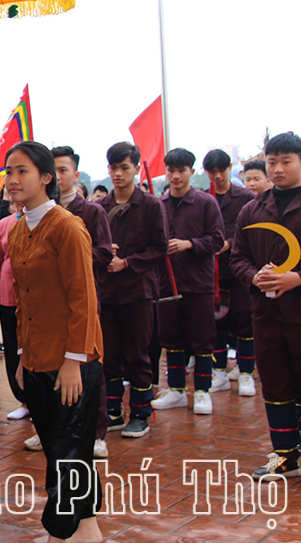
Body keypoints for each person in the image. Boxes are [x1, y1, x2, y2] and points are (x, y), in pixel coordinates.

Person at [5, 141, 103, 543]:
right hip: (38, 358)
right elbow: (25, 301)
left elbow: (84, 297)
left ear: (47, 177)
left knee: (70, 451)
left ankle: (63, 531)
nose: (11, 180)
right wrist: (23, 355)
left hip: (70, 362)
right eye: (8, 171)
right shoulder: (18, 230)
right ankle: (86, 528)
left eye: (21, 171)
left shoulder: (66, 225)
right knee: (60, 449)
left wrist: (73, 361)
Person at [230, 133, 301, 478]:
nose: (278, 168)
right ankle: (285, 453)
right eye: (272, 161)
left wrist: (297, 278)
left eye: (287, 160)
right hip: (267, 315)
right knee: (274, 383)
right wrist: (253, 277)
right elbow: (237, 258)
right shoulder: (252, 209)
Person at [97, 142, 167, 439]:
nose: (118, 174)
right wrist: (103, 253)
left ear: (137, 169)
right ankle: (113, 410)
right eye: (113, 168)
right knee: (109, 353)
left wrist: (127, 262)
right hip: (107, 292)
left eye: (124, 167)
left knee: (138, 354)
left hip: (138, 291)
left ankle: (140, 413)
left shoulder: (151, 205)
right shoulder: (100, 207)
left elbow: (160, 248)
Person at [151, 148, 225, 415]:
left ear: (192, 172)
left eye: (181, 170)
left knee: (202, 338)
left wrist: (189, 244)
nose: (176, 176)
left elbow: (217, 239)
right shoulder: (158, 204)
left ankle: (203, 391)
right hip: (167, 285)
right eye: (171, 170)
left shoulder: (206, 203)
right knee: (170, 338)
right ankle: (177, 390)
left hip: (197, 282)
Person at [51, 146, 112, 459]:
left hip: (82, 297)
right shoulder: (38, 214)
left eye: (64, 170)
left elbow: (104, 253)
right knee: (50, 368)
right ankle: (48, 429)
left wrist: (71, 255)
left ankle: (97, 432)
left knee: (87, 364)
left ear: (75, 175)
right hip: (50, 306)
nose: (58, 176)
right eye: (54, 170)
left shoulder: (91, 212)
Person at [203, 148, 257, 396]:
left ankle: (246, 373)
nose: (217, 176)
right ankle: (220, 372)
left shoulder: (246, 197)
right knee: (217, 324)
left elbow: (253, 230)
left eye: (221, 171)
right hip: (211, 272)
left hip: (240, 270)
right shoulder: (203, 198)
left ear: (229, 169)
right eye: (211, 172)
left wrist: (230, 243)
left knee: (244, 320)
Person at [0, 198, 28, 422]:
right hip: (7, 294)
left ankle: (38, 398)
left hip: (33, 296)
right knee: (12, 347)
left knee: (31, 347)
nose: (20, 204)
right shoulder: (4, 224)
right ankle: (22, 399)